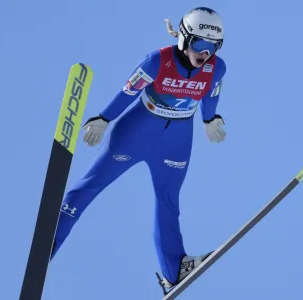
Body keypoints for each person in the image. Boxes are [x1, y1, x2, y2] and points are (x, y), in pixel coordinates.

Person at [51, 6, 227, 289]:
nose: (204, 54)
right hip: (136, 132)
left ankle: (175, 270)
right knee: (89, 186)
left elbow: (211, 92)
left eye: (213, 47)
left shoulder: (216, 67)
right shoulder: (158, 61)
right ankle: (50, 243)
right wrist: (103, 118)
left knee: (168, 203)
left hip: (178, 141)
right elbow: (127, 92)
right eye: (200, 44)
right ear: (184, 38)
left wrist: (210, 118)